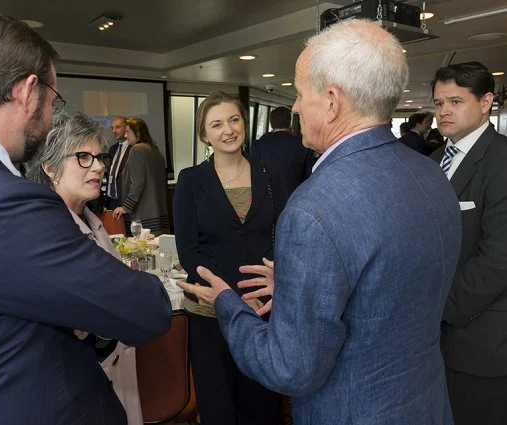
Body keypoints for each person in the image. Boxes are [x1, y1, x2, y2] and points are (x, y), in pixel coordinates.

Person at [178, 19, 461, 424]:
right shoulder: (431, 174)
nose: (293, 107)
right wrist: (295, 287)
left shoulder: (314, 208)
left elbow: (290, 367)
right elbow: (385, 287)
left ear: (331, 102)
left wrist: (225, 301)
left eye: (298, 94)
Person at [0, 9, 171, 425]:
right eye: (54, 101)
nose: (49, 117)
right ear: (28, 91)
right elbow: (148, 309)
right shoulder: (2, 203)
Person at [173, 90, 285, 425]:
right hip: (211, 313)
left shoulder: (269, 175)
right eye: (217, 124)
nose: (228, 130)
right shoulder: (191, 181)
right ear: (204, 134)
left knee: (262, 403)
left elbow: (283, 235)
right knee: (218, 406)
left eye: (234, 120)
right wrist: (233, 300)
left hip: (262, 310)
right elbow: (189, 251)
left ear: (245, 124)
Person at [25, 112, 144, 425]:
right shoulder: (46, 231)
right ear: (49, 168)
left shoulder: (92, 219)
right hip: (80, 386)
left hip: (112, 373)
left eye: (99, 156)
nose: (99, 165)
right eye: (83, 157)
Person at [429, 61, 507, 425]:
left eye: (455, 101)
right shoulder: (430, 162)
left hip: (480, 339)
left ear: (486, 101)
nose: (444, 111)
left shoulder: (502, 160)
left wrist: (434, 307)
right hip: (431, 346)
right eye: (439, 102)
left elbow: (499, 261)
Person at [112, 117, 169, 236]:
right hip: (159, 215)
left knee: (140, 252)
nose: (126, 136)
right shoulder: (156, 151)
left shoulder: (137, 150)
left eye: (128, 132)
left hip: (142, 218)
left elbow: (137, 184)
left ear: (137, 133)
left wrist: (126, 207)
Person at [252, 106, 315, 201]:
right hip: (295, 200)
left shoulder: (259, 145)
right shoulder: (303, 145)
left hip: (267, 201)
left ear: (271, 123)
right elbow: (311, 176)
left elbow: (253, 175)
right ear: (289, 123)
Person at [102, 116, 131, 210]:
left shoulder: (134, 149)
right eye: (112, 128)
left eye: (118, 127)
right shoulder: (112, 149)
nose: (114, 131)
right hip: (111, 201)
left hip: (126, 202)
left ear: (127, 128)